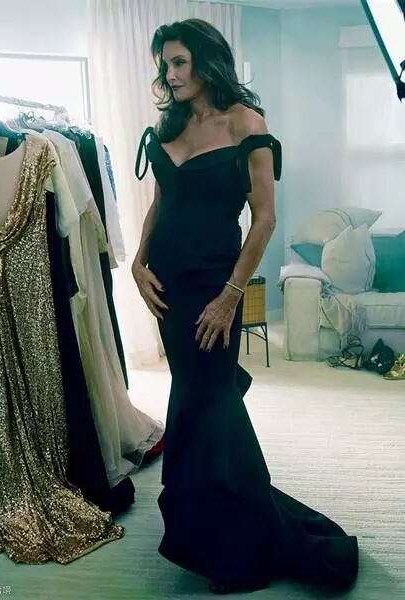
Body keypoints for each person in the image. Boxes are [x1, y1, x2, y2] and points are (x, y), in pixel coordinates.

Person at [133, 18, 358, 595]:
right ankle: (225, 531)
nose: (170, 74)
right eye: (164, 64)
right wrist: (138, 261)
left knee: (205, 407)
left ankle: (238, 545)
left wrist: (230, 297)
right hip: (168, 288)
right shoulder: (170, 124)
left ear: (207, 62)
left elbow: (265, 219)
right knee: (202, 403)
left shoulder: (246, 124)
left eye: (179, 62)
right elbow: (161, 200)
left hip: (215, 287)